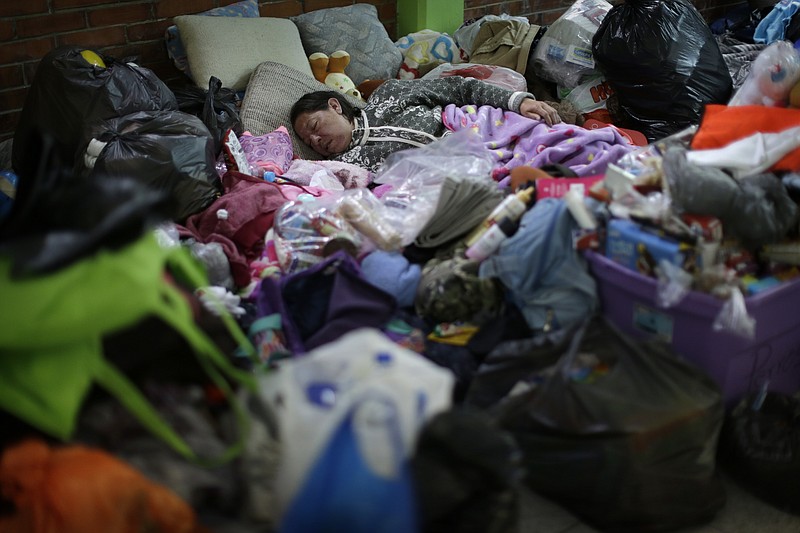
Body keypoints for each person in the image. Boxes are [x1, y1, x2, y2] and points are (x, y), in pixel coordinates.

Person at [290, 76, 561, 172]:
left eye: (314, 127)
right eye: (307, 141)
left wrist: (517, 102)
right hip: (470, 173)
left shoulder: (390, 93)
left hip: (484, 127)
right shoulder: (345, 166)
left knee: (565, 143)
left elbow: (458, 88)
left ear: (335, 106)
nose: (314, 141)